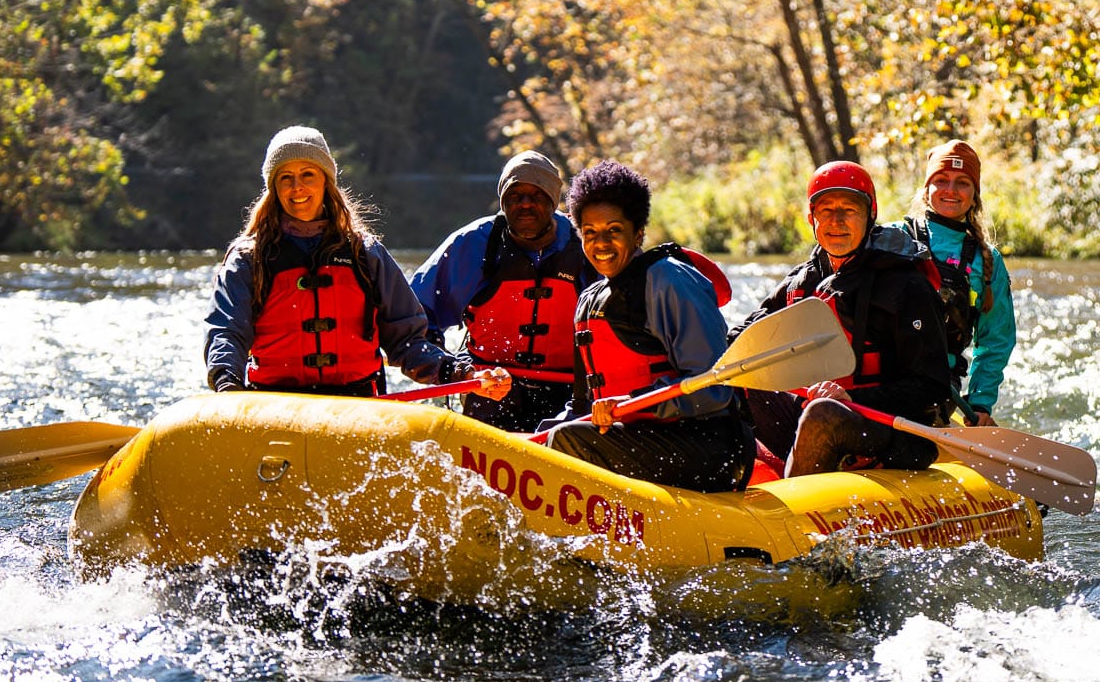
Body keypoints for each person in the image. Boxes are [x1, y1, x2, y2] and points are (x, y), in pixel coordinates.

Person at [204, 125, 513, 401]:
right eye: (286, 178)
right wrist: (227, 384)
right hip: (276, 401)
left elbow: (407, 341)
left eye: (307, 175)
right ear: (274, 189)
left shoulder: (364, 253)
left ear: (325, 182)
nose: (297, 187)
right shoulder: (249, 258)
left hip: (355, 403)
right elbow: (226, 331)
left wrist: (460, 373)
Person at [537, 160, 753, 493]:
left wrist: (633, 402)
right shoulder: (589, 300)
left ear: (638, 232)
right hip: (636, 440)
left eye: (614, 230)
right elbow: (581, 408)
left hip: (712, 448)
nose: (601, 243)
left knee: (566, 441)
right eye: (590, 233)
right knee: (550, 438)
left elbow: (714, 388)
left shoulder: (669, 281)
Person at [736, 161, 952, 477]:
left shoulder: (906, 286)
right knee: (741, 377)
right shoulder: (803, 281)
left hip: (889, 431)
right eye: (826, 210)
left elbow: (932, 388)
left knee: (822, 414)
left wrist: (851, 397)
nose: (837, 221)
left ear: (869, 216)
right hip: (814, 414)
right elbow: (745, 335)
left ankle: (797, 504)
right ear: (811, 218)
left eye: (849, 210)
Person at [410, 151, 593, 431]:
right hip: (490, 388)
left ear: (554, 199)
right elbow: (413, 319)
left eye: (537, 195)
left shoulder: (587, 245)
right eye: (515, 195)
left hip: (571, 396)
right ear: (502, 200)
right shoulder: (472, 245)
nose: (525, 204)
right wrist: (454, 370)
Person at [886, 139, 1017, 427]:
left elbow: (996, 340)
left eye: (962, 183)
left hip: (937, 386)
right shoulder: (893, 237)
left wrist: (981, 400)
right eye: (941, 180)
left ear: (975, 195)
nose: (951, 190)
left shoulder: (987, 262)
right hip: (880, 372)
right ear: (927, 189)